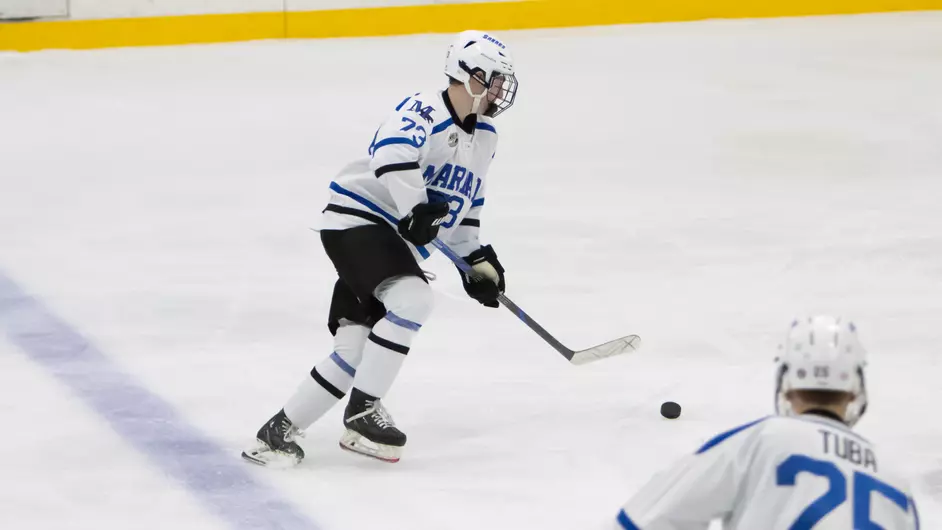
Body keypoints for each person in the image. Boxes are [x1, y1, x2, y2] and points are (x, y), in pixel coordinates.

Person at [242, 30, 518, 467]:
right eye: (497, 78)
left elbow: (464, 210)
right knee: (413, 299)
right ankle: (363, 411)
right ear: (472, 76)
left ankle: (276, 434)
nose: (502, 88)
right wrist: (415, 209)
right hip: (358, 220)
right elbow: (390, 151)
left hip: (391, 241)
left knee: (355, 348)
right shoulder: (424, 107)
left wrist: (475, 262)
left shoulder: (486, 136)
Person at [616, 316, 921, 529]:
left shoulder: (763, 441)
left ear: (786, 380)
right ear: (856, 386)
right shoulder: (893, 476)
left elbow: (645, 520)